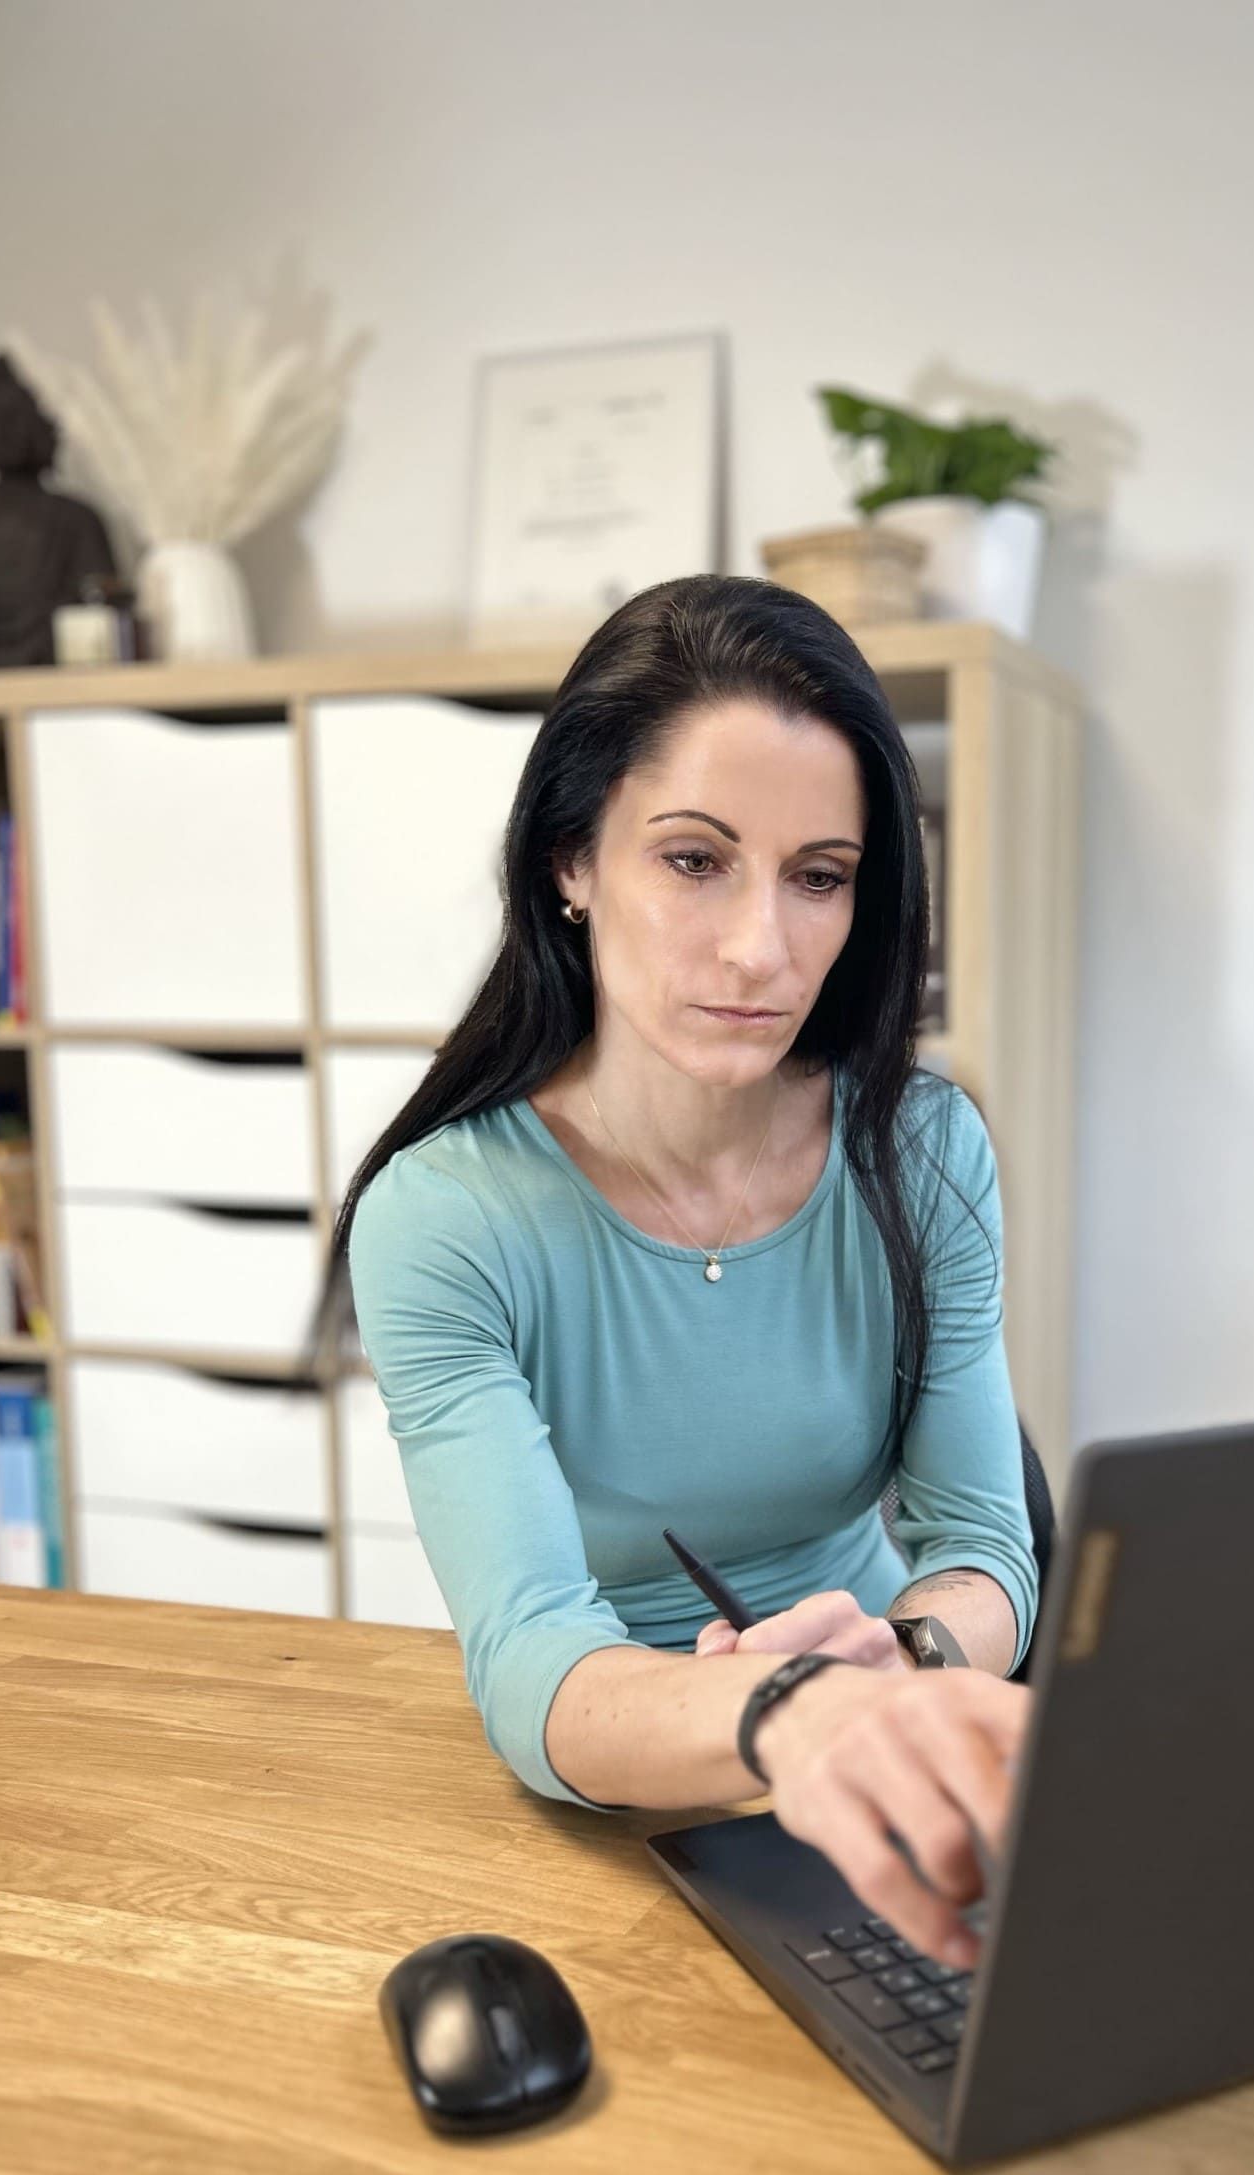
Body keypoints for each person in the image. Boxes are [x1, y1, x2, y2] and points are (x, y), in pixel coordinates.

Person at [315, 573, 1039, 1968]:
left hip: (884, 1749)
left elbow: (987, 1550)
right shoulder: (447, 1218)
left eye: (820, 877)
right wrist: (787, 1715)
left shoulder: (925, 1149)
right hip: (619, 1802)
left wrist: (902, 1673)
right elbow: (536, 1665)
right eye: (695, 859)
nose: (763, 947)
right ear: (569, 865)